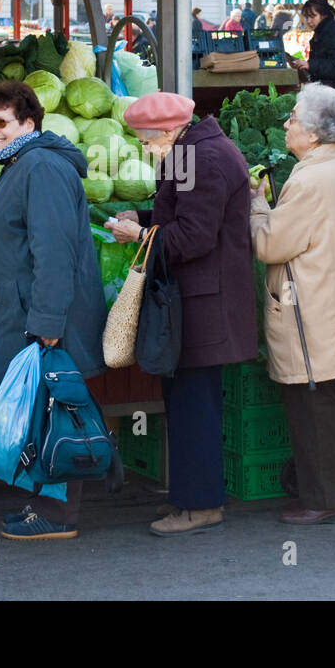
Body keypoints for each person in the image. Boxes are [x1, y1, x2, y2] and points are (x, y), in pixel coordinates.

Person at [107, 92, 257, 536]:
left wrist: (141, 234)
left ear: (169, 131)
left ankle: (201, 505)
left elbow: (193, 237)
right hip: (197, 301)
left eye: (147, 141)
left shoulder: (201, 158)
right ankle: (196, 499)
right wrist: (145, 216)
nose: (145, 149)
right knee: (191, 403)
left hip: (203, 305)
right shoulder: (195, 149)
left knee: (194, 408)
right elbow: (181, 213)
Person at [0, 80, 107, 541]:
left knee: (56, 412)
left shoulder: (41, 167)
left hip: (46, 317)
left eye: (2, 123)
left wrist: (48, 323)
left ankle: (59, 515)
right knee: (45, 412)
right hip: (28, 311)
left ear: (28, 123)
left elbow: (53, 251)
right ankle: (46, 506)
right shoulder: (24, 163)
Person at [250, 84, 335, 525]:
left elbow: (271, 245)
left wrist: (256, 205)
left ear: (313, 132)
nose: (286, 125)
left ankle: (324, 499)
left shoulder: (309, 179)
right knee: (334, 400)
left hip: (312, 314)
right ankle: (333, 491)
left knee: (313, 407)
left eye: (292, 118)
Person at [289, 0, 335, 96]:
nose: (308, 21)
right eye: (307, 17)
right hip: (330, 93)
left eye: (313, 16)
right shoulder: (321, 32)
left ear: (324, 15)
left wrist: (311, 65)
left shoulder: (334, 32)